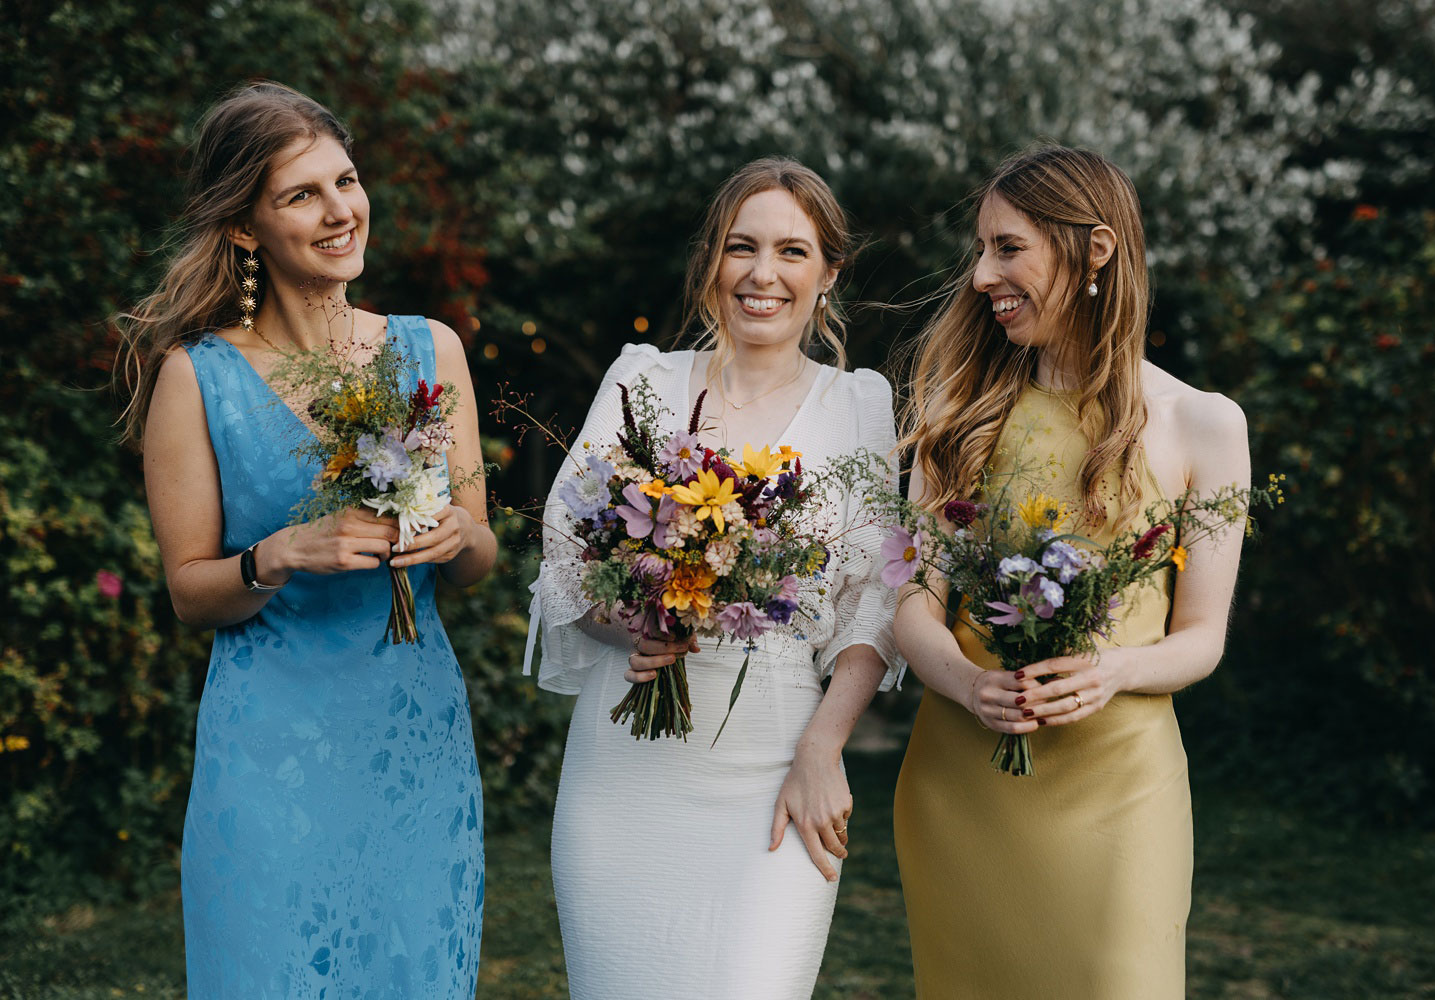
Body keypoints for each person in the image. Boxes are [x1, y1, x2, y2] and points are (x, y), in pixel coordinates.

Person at [116, 81, 495, 997]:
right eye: (302, 195)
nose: (341, 212)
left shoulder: (430, 349)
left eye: (347, 181)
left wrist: (454, 535)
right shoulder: (193, 377)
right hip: (269, 745)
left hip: (413, 738)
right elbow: (190, 592)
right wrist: (280, 553)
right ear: (245, 227)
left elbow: (482, 557)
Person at [526, 157, 900, 1000]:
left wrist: (824, 746)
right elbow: (563, 553)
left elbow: (875, 600)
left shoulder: (860, 405)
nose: (763, 275)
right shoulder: (641, 382)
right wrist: (633, 627)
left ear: (829, 272)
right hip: (625, 771)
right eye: (741, 247)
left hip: (779, 767)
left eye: (792, 252)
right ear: (712, 262)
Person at [891, 144, 1252, 999]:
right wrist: (963, 681)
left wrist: (1111, 670)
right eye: (981, 250)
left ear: (1094, 250)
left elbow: (1200, 638)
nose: (982, 276)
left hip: (1122, 788)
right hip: (963, 778)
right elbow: (912, 601)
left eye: (1007, 247)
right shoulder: (958, 412)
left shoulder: (1204, 424)